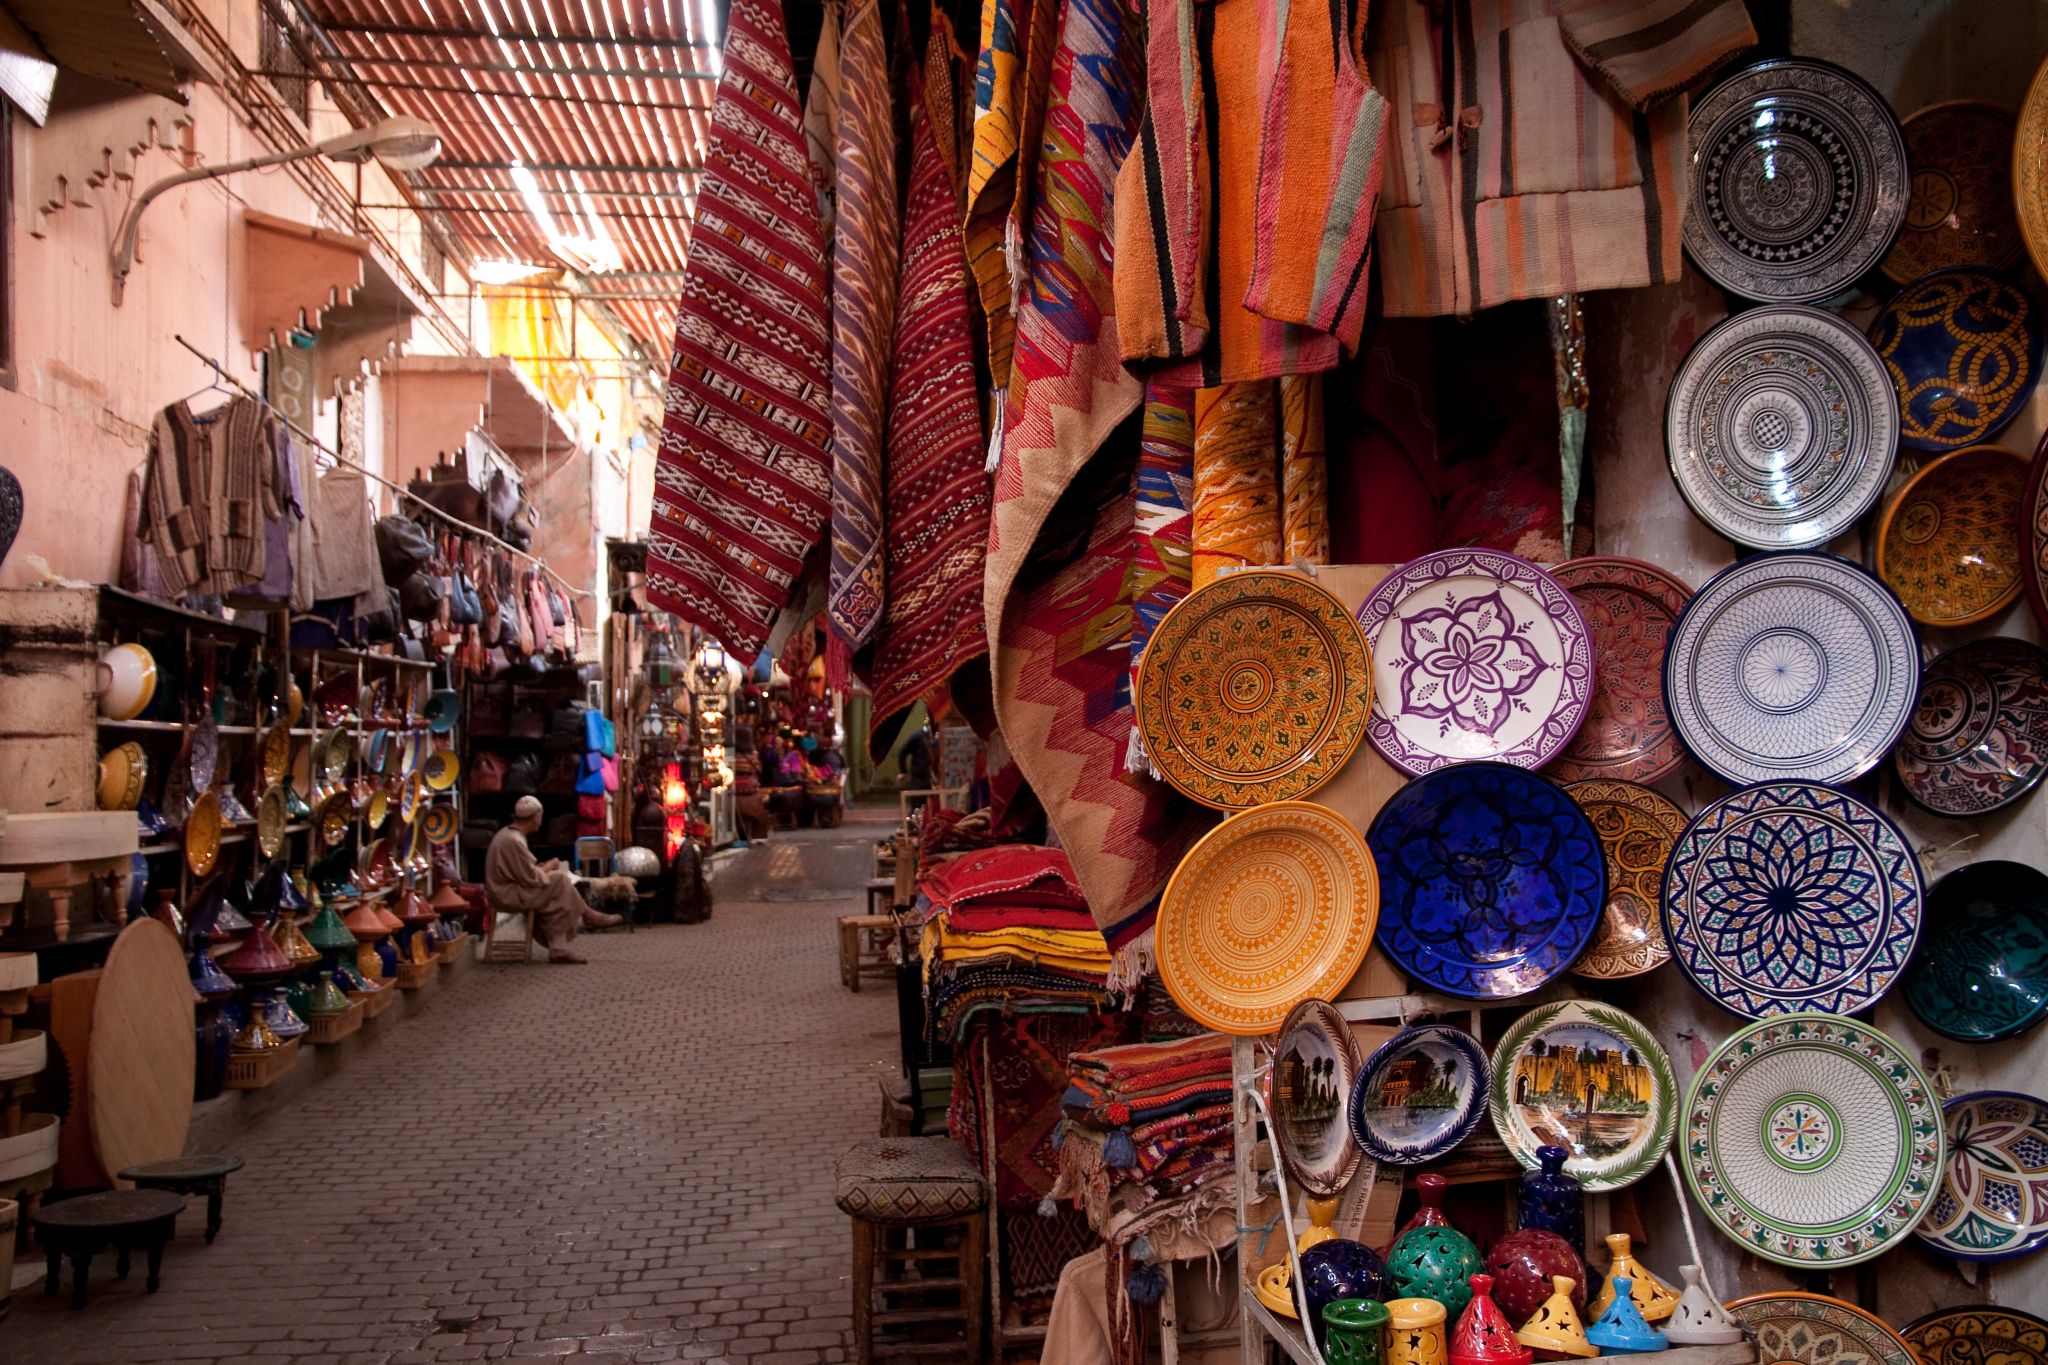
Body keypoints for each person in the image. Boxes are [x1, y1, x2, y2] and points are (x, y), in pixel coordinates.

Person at [484, 796, 620, 964]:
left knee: (558, 893)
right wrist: (549, 866)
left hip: (508, 889)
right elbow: (531, 878)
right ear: (535, 817)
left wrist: (541, 868)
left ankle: (562, 945)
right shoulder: (514, 840)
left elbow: (522, 872)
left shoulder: (508, 834)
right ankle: (587, 916)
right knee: (560, 881)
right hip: (507, 894)